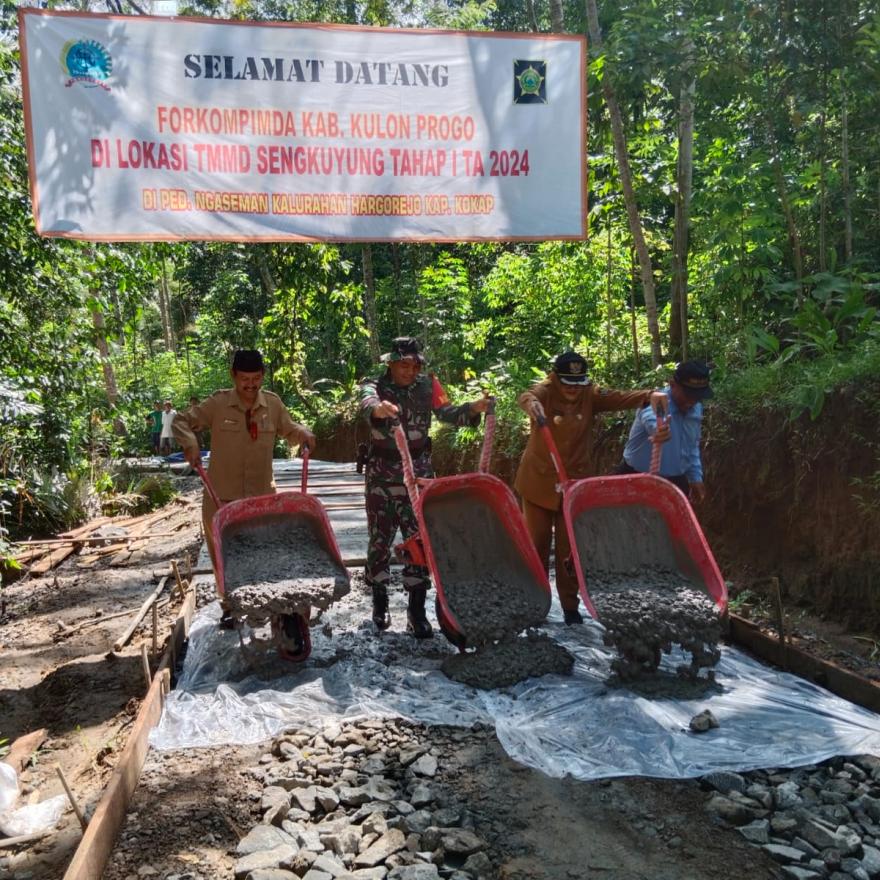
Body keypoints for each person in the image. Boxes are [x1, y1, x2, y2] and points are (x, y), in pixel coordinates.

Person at [515, 351, 668, 625]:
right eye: (567, 383)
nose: (573, 389)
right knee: (535, 544)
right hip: (539, 480)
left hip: (574, 483)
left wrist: (650, 394)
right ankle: (532, 601)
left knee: (569, 549)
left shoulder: (590, 394)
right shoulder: (546, 391)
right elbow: (527, 395)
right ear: (554, 378)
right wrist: (532, 405)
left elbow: (620, 396)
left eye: (578, 382)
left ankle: (570, 606)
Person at [359, 336, 491, 638]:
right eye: (404, 364)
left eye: (415, 365)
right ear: (391, 363)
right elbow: (365, 404)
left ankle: (416, 611)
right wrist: (379, 409)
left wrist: (475, 407)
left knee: (418, 541)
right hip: (382, 476)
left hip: (418, 477)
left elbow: (447, 412)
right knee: (379, 540)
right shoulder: (375, 385)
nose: (410, 370)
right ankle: (380, 603)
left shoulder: (428, 385)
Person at [173, 350, 316, 626]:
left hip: (261, 497)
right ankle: (231, 606)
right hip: (221, 497)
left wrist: (303, 433)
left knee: (262, 550)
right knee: (223, 556)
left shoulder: (272, 405)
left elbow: (289, 429)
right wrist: (190, 442)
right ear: (233, 376)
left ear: (262, 376)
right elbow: (181, 421)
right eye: (244, 379)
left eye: (256, 378)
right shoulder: (218, 404)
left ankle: (265, 601)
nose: (250, 385)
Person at [614, 360, 712, 503]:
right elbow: (652, 417)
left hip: (675, 482)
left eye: (697, 397)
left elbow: (691, 446)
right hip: (636, 479)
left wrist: (695, 476)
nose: (692, 401)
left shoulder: (695, 407)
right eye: (688, 395)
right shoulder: (655, 402)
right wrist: (659, 430)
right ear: (672, 384)